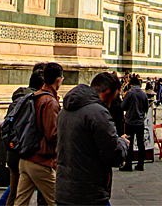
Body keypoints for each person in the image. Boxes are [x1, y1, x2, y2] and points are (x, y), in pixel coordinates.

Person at [55, 72, 130, 206]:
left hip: (64, 191)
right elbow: (113, 155)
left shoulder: (64, 111)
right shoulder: (98, 113)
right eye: (115, 97)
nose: (113, 102)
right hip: (89, 194)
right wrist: (123, 143)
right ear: (106, 92)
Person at [14, 62, 62, 206]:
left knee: (20, 202)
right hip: (40, 161)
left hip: (25, 158)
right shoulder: (50, 102)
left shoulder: (34, 96)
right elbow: (52, 134)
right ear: (58, 80)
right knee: (58, 201)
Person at [0, 65, 45, 206]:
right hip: (29, 154)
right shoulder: (35, 101)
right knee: (45, 194)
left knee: (15, 192)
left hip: (14, 153)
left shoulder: (18, 99)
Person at [120, 75, 149, 172]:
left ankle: (128, 165)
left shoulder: (129, 93)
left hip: (130, 122)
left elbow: (123, 106)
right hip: (140, 122)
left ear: (131, 84)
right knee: (141, 143)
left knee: (130, 143)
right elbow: (146, 108)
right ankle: (141, 164)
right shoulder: (143, 94)